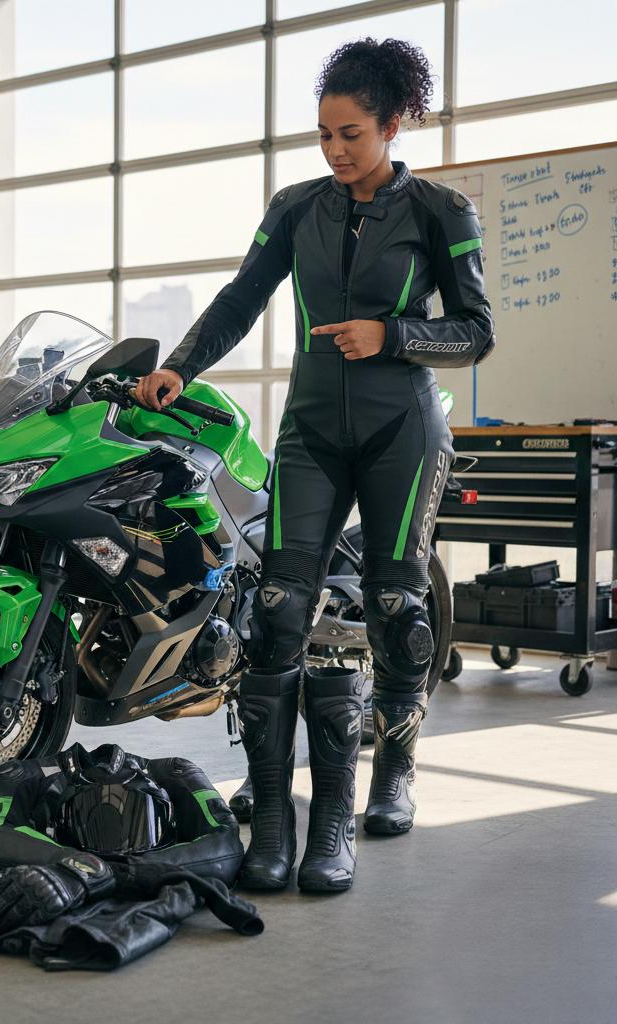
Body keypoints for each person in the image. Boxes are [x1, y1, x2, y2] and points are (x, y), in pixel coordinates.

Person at [135, 37, 495, 893]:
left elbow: (476, 329)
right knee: (278, 612)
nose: (335, 151)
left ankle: (393, 776)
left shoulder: (441, 210)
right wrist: (181, 363)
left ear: (393, 123)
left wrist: (394, 335)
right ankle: (273, 811)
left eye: (352, 134)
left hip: (402, 429)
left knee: (397, 606)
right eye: (324, 134)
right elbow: (240, 295)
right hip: (309, 432)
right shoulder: (297, 206)